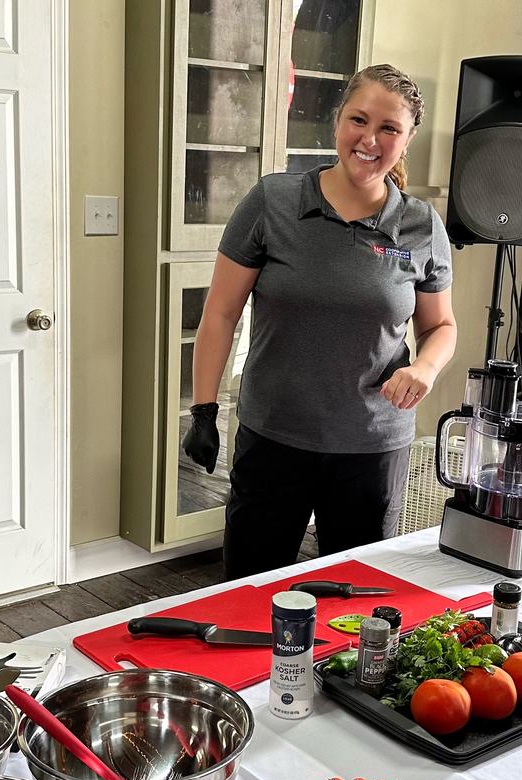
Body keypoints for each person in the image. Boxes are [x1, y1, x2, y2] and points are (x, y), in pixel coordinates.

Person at [182, 64, 457, 579]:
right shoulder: (274, 201)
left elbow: (441, 326)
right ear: (338, 121)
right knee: (250, 589)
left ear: (407, 140)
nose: (369, 139)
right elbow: (220, 312)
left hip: (372, 446)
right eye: (359, 120)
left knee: (357, 595)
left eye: (389, 128)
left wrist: (425, 367)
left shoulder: (421, 225)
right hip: (274, 437)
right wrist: (203, 410)